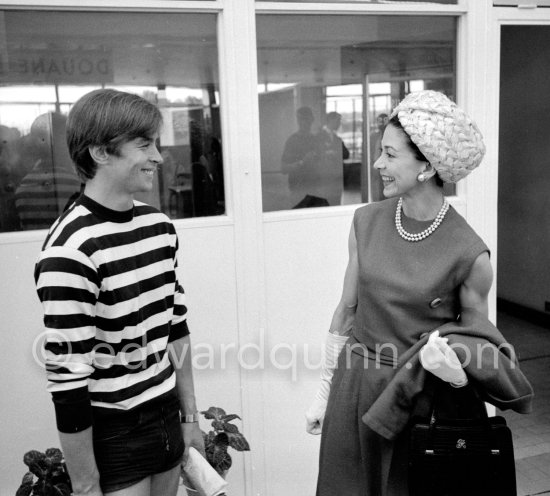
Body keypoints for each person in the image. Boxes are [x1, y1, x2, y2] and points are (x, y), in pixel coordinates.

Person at [305, 90, 534, 495]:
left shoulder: (470, 254)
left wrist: (458, 377)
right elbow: (345, 310)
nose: (378, 164)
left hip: (418, 402)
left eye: (390, 155)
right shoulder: (365, 222)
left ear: (427, 164)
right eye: (380, 152)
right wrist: (324, 391)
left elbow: (479, 346)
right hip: (353, 388)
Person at [34, 89, 205, 496]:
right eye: (144, 145)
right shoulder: (70, 249)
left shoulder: (159, 226)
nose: (159, 157)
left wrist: (190, 416)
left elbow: (176, 327)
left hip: (166, 413)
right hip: (115, 431)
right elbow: (68, 380)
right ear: (100, 152)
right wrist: (86, 483)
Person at [281, 106, 323, 208]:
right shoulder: (292, 141)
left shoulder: (316, 140)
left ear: (312, 120)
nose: (304, 122)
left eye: (307, 119)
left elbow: (322, 164)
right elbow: (283, 168)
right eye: (301, 119)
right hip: (298, 191)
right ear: (298, 121)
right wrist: (302, 162)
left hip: (315, 190)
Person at [316, 111, 350, 206]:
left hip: (336, 181)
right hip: (323, 180)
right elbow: (316, 156)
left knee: (335, 204)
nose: (339, 123)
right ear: (330, 121)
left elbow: (347, 154)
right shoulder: (318, 137)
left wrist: (335, 153)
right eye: (337, 120)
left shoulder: (337, 139)